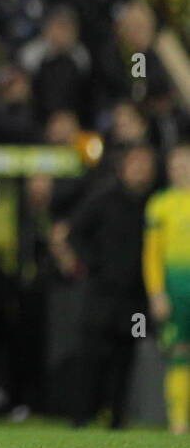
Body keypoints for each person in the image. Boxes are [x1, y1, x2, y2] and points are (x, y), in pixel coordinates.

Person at [65, 144, 156, 428]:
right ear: (123, 167)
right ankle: (80, 419)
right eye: (135, 164)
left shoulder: (154, 205)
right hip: (102, 295)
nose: (140, 171)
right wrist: (94, 264)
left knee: (126, 357)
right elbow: (75, 233)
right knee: (91, 357)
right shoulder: (104, 199)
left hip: (136, 299)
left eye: (146, 165)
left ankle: (117, 421)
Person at [144, 145, 190, 434]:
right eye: (176, 165)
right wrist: (157, 292)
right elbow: (151, 255)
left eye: (185, 164)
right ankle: (178, 422)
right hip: (175, 288)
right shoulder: (159, 205)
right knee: (179, 352)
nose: (180, 170)